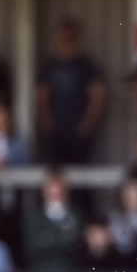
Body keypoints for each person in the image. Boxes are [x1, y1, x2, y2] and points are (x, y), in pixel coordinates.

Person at [36, 17, 105, 164]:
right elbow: (41, 96)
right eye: (63, 35)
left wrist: (89, 122)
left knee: (80, 171)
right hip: (55, 129)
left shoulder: (86, 65)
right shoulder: (50, 66)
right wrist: (45, 121)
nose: (66, 39)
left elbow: (97, 95)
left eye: (70, 35)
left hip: (79, 129)